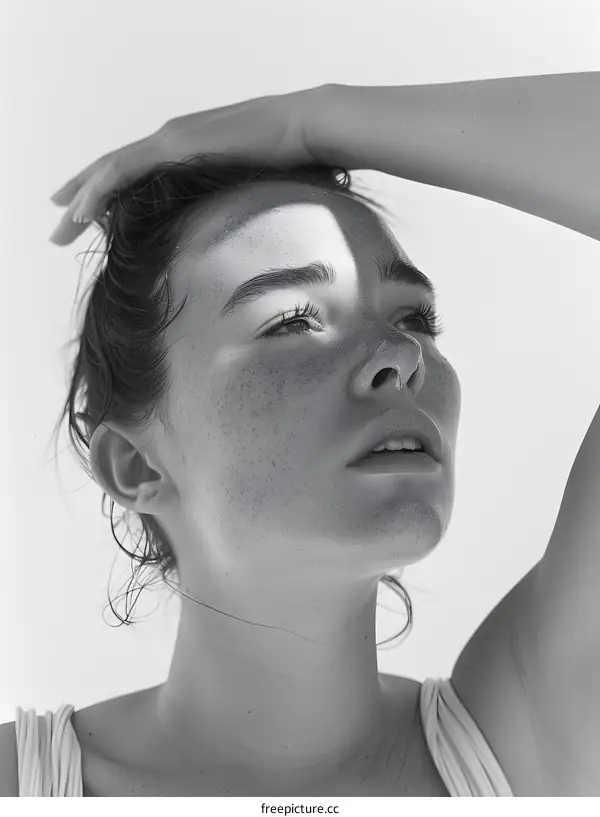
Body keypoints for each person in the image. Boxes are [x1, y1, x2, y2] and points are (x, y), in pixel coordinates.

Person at [2, 74, 599, 797]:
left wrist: (312, 120)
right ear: (134, 462)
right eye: (292, 320)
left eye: (412, 318)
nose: (400, 355)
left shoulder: (524, 746)